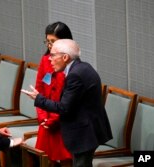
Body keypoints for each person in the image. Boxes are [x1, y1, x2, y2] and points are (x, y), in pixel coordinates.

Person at [22, 39, 113, 167]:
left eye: (53, 55)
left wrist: (38, 99)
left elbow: (64, 107)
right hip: (89, 129)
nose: (49, 59)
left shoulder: (75, 75)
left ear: (65, 57)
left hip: (84, 133)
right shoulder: (84, 67)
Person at [35, 21, 73, 167]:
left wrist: (54, 119)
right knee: (46, 160)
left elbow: (69, 99)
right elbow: (39, 90)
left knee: (66, 161)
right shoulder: (45, 60)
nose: (50, 45)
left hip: (63, 121)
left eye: (53, 41)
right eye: (47, 41)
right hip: (46, 120)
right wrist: (43, 118)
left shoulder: (71, 65)